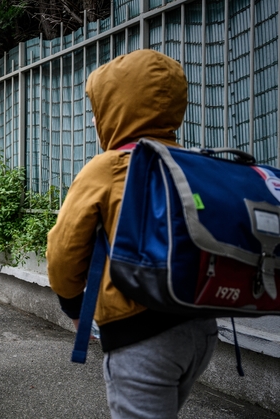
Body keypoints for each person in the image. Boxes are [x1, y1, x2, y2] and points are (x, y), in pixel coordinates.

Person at [46, 49, 218, 419]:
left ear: (114, 108)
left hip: (141, 335)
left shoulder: (109, 168)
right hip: (203, 327)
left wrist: (73, 306)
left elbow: (63, 252)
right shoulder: (195, 163)